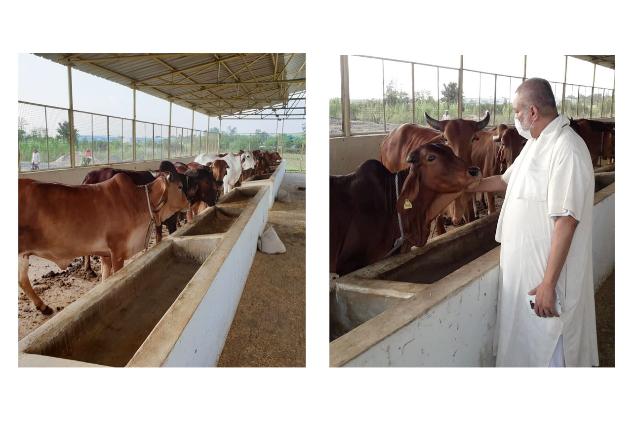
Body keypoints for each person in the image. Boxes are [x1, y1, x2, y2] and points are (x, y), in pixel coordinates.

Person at [467, 77, 598, 367]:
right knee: (525, 351)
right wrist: (469, 185)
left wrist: (548, 284)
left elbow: (566, 221)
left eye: (517, 112)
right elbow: (504, 180)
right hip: (525, 280)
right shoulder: (536, 144)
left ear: (533, 113)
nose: (516, 118)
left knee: (549, 351)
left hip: (547, 285)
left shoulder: (567, 149)